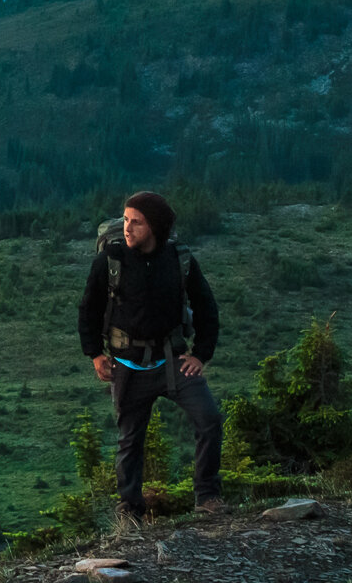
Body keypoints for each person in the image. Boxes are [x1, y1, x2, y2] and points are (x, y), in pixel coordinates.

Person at [78, 189, 224, 527]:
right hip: (127, 366)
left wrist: (201, 354)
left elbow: (206, 307)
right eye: (126, 220)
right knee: (129, 441)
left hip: (173, 361)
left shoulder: (179, 260)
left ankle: (207, 496)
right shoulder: (110, 261)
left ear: (155, 227)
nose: (127, 228)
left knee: (209, 420)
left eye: (136, 222)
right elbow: (88, 309)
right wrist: (95, 355)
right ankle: (130, 511)